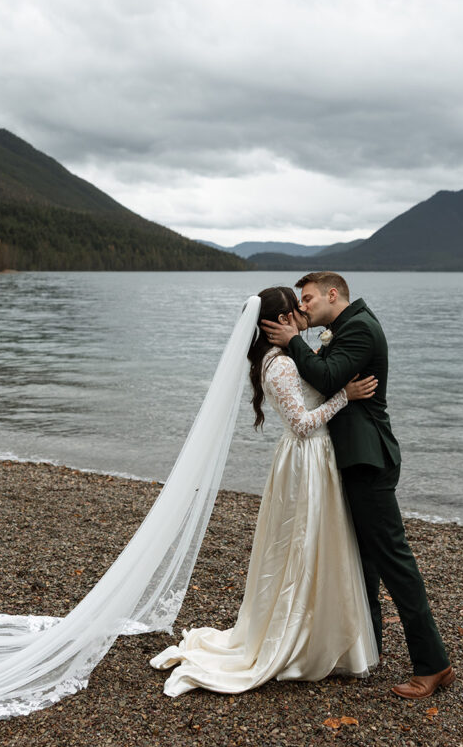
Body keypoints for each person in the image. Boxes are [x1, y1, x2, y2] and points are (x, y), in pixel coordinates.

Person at [150, 286, 379, 695]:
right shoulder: (281, 366)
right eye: (297, 306)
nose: (304, 310)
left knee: (313, 546)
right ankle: (299, 637)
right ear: (282, 320)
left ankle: (319, 631)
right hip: (306, 459)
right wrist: (346, 395)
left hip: (309, 459)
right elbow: (303, 424)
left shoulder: (283, 359)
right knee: (302, 548)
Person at [263, 272, 455, 700]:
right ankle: (369, 651)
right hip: (353, 459)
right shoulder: (344, 328)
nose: (303, 307)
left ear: (334, 295)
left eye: (309, 299)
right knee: (364, 562)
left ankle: (434, 664)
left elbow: (328, 378)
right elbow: (320, 379)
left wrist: (294, 339)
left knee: (394, 562)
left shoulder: (360, 329)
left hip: (368, 460)